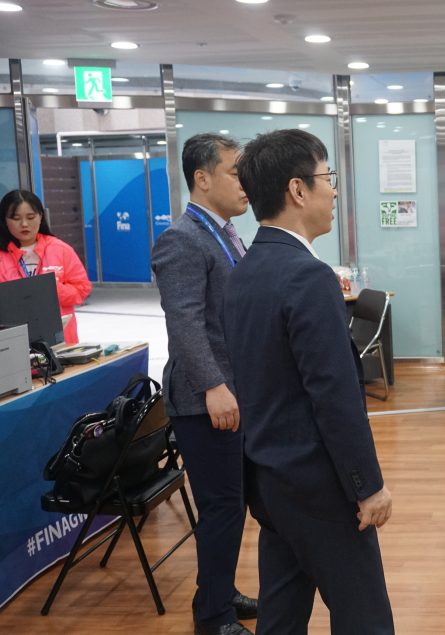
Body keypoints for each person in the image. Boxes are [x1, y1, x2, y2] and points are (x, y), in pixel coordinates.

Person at [223, 129, 394, 633]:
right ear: (298, 189)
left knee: (280, 615)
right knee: (366, 620)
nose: (334, 190)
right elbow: (334, 397)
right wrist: (368, 486)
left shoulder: (244, 272)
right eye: (328, 177)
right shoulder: (307, 276)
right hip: (320, 487)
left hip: (270, 481)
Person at [150, 133, 256, 635]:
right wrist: (214, 386)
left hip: (231, 391)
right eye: (235, 171)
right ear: (202, 178)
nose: (244, 181)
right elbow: (185, 323)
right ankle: (212, 616)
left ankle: (220, 591)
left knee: (233, 505)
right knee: (222, 507)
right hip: (204, 400)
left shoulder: (225, 232)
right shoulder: (183, 239)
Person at [0, 189, 91, 344]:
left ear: (41, 217)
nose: (24, 224)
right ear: (4, 220)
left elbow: (82, 290)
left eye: (30, 217)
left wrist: (51, 288)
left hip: (60, 340)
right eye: (16, 218)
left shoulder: (60, 249)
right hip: (13, 340)